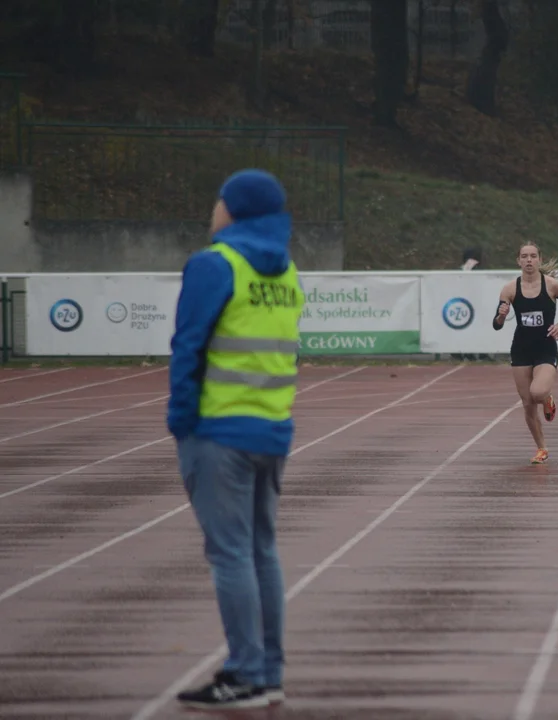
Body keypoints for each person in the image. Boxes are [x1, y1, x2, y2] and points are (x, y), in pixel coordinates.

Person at [168, 169, 303, 710]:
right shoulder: (286, 270)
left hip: (218, 431)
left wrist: (181, 423)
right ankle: (267, 671)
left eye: (218, 200)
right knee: (260, 551)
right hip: (271, 429)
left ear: (235, 209)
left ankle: (245, 672)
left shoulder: (215, 264)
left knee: (229, 555)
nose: (213, 210)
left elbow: (187, 348)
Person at [493, 242, 558, 464]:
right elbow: (497, 324)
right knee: (527, 402)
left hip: (545, 347)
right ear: (518, 261)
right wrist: (502, 315)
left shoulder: (551, 286)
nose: (529, 260)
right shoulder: (510, 289)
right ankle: (542, 449)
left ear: (539, 259)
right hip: (521, 349)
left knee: (538, 393)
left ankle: (548, 399)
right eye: (524, 256)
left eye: (532, 256)